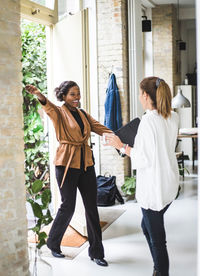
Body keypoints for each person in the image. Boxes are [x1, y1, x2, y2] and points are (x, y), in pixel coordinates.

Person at [25, 81, 112, 266]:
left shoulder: (82, 114)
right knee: (68, 206)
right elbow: (47, 106)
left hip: (86, 164)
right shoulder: (59, 112)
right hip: (66, 164)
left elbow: (100, 128)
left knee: (91, 208)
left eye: (78, 93)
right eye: (72, 94)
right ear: (63, 96)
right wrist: (38, 94)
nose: (77, 97)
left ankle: (97, 253)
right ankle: (53, 242)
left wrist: (119, 138)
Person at [103, 77, 179, 276]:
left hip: (154, 187)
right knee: (146, 226)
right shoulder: (173, 116)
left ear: (146, 96)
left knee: (157, 240)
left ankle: (160, 271)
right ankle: (158, 268)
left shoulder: (148, 121)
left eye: (139, 93)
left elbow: (144, 159)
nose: (139, 97)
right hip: (169, 182)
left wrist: (121, 146)